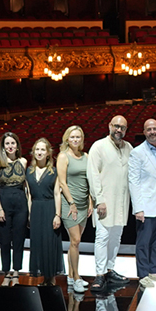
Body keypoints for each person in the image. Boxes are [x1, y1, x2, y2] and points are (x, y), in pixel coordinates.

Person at [86, 115, 133, 291]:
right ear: (109, 126)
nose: (119, 130)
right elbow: (93, 175)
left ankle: (109, 269)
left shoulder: (128, 147)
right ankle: (99, 274)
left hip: (121, 202)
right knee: (102, 237)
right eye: (116, 126)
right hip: (104, 202)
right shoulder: (98, 147)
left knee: (116, 237)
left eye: (122, 127)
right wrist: (99, 200)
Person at [129, 118, 156, 289]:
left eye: (155, 129)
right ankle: (143, 274)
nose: (152, 132)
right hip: (145, 206)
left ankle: (153, 271)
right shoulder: (137, 152)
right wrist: (138, 208)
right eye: (149, 129)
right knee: (143, 242)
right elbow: (134, 181)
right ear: (144, 132)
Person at [0, 132, 29, 285]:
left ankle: (17, 272)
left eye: (13, 143)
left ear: (17, 145)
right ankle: (6, 273)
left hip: (20, 203)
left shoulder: (24, 161)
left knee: (19, 239)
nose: (10, 146)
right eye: (7, 144)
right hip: (4, 202)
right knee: (4, 240)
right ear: (3, 146)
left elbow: (27, 188)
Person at [57, 125, 92, 293]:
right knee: (76, 241)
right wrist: (72, 203)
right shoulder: (63, 156)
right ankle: (77, 277)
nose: (75, 140)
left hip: (84, 204)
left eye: (78, 137)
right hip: (70, 204)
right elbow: (62, 182)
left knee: (74, 243)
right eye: (72, 137)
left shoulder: (86, 156)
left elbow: (89, 180)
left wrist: (91, 201)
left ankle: (71, 276)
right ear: (67, 139)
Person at [27, 137, 64, 285]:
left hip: (49, 208)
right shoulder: (29, 171)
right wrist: (29, 215)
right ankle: (43, 278)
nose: (39, 152)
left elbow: (57, 194)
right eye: (37, 149)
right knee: (38, 243)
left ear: (48, 153)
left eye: (43, 149)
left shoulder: (53, 172)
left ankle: (51, 279)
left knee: (49, 243)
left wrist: (57, 215)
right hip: (36, 209)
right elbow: (29, 194)